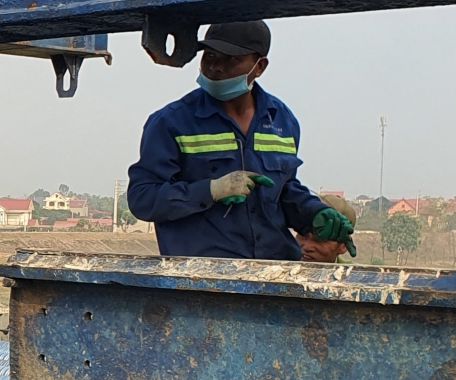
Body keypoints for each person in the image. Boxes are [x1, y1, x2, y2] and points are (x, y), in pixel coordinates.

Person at [125, 20, 354, 260]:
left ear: (259, 66)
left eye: (231, 59)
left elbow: (283, 190)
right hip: (203, 276)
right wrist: (210, 190)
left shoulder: (281, 121)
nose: (216, 67)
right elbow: (143, 198)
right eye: (210, 55)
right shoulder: (172, 122)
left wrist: (313, 212)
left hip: (274, 272)